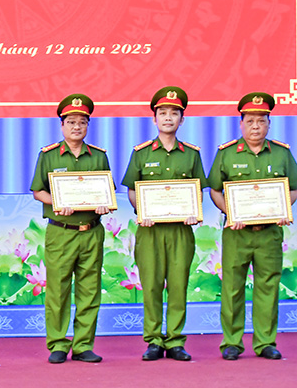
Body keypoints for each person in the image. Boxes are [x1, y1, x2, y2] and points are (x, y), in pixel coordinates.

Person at [208, 92, 297, 361]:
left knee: (268, 286)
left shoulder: (282, 153)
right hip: (237, 233)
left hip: (269, 233)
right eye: (250, 121)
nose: (255, 126)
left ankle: (265, 342)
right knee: (232, 287)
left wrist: (284, 208)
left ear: (269, 123)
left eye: (261, 121)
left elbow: (293, 188)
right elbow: (214, 190)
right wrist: (230, 212)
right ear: (241, 124)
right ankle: (232, 342)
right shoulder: (226, 153)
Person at [122, 86, 205, 362]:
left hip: (181, 230)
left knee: (178, 285)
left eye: (174, 113)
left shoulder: (191, 154)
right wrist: (140, 209)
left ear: (182, 119)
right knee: (152, 285)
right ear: (154, 119)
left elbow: (197, 190)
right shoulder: (141, 153)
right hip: (150, 230)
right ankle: (154, 340)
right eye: (162, 113)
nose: (168, 118)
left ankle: (176, 340)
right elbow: (132, 189)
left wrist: (194, 211)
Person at [30, 94, 111, 364]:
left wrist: (105, 204)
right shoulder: (49, 155)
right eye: (71, 122)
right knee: (58, 290)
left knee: (90, 289)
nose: (77, 127)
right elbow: (38, 191)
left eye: (82, 122)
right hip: (61, 231)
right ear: (62, 125)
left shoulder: (99, 156)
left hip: (91, 231)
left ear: (88, 125)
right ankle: (57, 344)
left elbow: (107, 192)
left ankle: (84, 344)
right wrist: (57, 202)